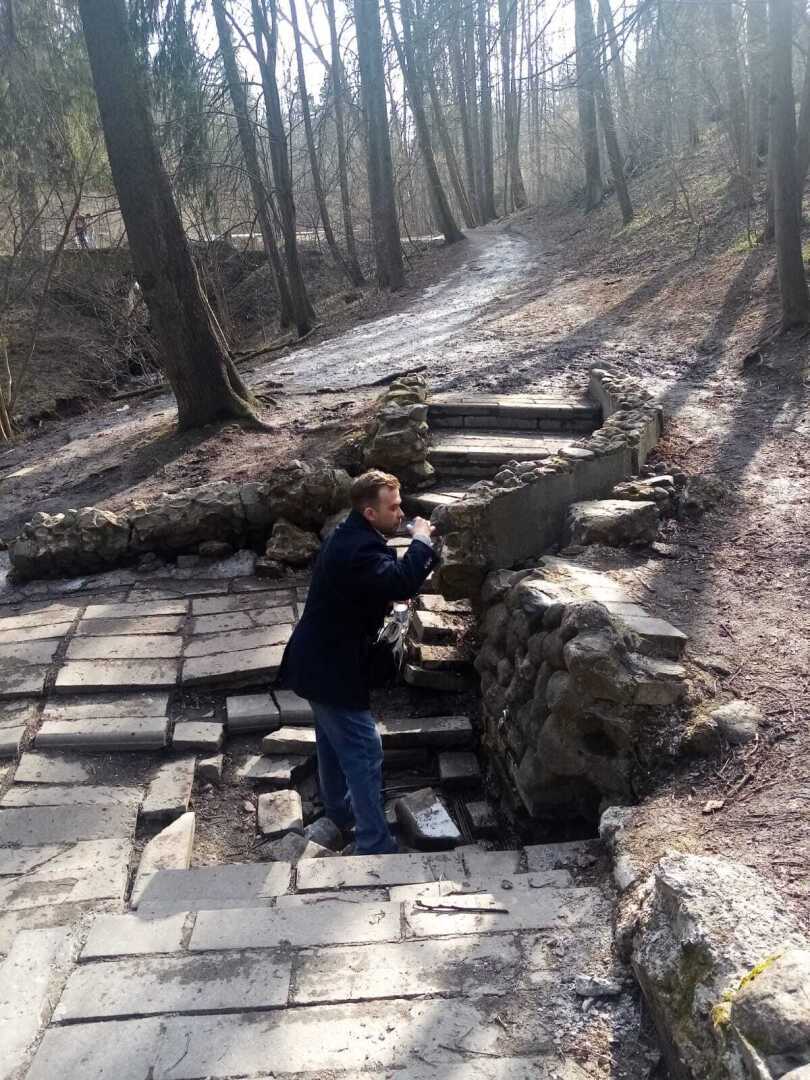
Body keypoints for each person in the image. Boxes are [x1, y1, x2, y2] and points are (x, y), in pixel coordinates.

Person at [280, 470, 437, 855]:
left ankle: (340, 811)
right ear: (370, 512)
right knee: (364, 749)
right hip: (331, 667)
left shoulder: (353, 536)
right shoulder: (360, 549)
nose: (401, 513)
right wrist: (421, 543)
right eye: (393, 506)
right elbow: (400, 581)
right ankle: (373, 843)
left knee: (334, 743)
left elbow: (375, 586)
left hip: (319, 660)